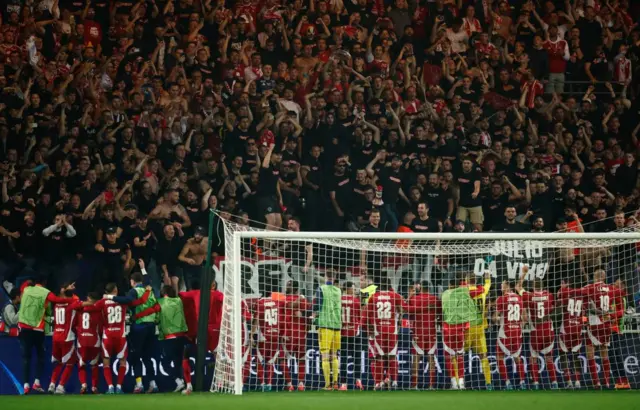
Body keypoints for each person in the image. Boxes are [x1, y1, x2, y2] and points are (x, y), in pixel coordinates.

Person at [107, 260, 159, 393]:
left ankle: (139, 384)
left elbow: (128, 301)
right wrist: (143, 269)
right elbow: (148, 282)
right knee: (148, 356)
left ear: (132, 281)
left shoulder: (134, 291)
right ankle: (153, 384)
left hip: (139, 326)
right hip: (151, 326)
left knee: (136, 356)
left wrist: (110, 297)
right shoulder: (150, 291)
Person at [17, 281, 76, 394]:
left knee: (26, 358)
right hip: (39, 330)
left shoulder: (26, 290)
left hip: (24, 329)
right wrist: (72, 300)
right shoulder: (45, 293)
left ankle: (26, 385)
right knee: (41, 357)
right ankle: (38, 383)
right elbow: (56, 301)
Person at [582, 268, 625, 389]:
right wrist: (611, 316)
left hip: (594, 324)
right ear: (604, 277)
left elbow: (577, 296)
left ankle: (596, 383)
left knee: (590, 354)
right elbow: (621, 311)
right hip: (607, 325)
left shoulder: (588, 288)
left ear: (595, 276)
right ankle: (606, 382)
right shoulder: (613, 289)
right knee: (604, 354)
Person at [440, 273, 484, 390]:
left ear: (449, 285)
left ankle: (454, 383)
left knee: (449, 356)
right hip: (460, 329)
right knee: (459, 356)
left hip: (447, 329)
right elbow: (481, 290)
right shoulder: (465, 292)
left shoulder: (444, 294)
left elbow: (440, 312)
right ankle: (462, 382)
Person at [518, 270, 559, 390]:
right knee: (549, 358)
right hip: (548, 330)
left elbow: (518, 287)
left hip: (536, 331)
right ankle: (554, 383)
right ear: (543, 286)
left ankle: (535, 383)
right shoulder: (549, 295)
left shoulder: (529, 296)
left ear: (532, 287)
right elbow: (553, 308)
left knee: (533, 358)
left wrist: (524, 274)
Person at [365, 277, 407, 390]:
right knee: (392, 356)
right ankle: (393, 381)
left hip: (378, 331)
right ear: (389, 285)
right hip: (392, 331)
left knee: (379, 357)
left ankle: (379, 383)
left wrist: (369, 330)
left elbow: (368, 315)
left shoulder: (373, 297)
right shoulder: (395, 296)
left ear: (378, 286)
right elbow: (404, 310)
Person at [48, 283, 84, 395]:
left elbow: (62, 297)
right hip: (67, 337)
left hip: (56, 337)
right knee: (70, 363)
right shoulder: (73, 303)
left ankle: (52, 384)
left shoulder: (56, 304)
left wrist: (65, 290)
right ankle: (60, 386)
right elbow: (78, 303)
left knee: (58, 362)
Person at [406, 281, 440, 390]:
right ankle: (431, 384)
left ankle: (414, 384)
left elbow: (408, 312)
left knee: (416, 357)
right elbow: (439, 314)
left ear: (420, 288)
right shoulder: (435, 299)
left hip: (418, 331)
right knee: (431, 357)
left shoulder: (414, 299)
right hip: (431, 331)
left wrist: (410, 296)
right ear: (429, 288)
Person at [494, 280, 526, 390]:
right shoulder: (520, 298)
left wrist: (498, 319)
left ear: (507, 286)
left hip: (505, 333)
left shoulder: (501, 299)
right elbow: (525, 318)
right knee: (517, 358)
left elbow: (494, 318)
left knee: (499, 357)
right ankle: (522, 382)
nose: (500, 286)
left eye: (502, 284)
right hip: (517, 333)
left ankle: (508, 383)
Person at [157, 285, 189, 394]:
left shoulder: (160, 303)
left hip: (169, 337)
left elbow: (157, 318)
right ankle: (183, 384)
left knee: (165, 362)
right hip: (181, 336)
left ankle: (179, 381)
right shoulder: (178, 301)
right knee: (178, 362)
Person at [280, 280, 311, 391]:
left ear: (291, 288)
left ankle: (289, 385)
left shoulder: (283, 299)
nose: (286, 287)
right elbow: (310, 314)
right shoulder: (303, 300)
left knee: (282, 359)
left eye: (287, 286)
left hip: (288, 334)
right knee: (301, 359)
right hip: (301, 335)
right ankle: (301, 384)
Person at [464, 271, 493, 390]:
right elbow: (488, 284)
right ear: (475, 280)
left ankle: (459, 381)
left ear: (466, 280)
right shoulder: (483, 291)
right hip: (480, 328)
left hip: (469, 328)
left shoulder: (464, 292)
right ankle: (488, 383)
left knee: (459, 354)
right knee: (483, 356)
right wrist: (487, 276)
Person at [557, 275, 587, 389]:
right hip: (578, 328)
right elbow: (586, 310)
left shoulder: (565, 292)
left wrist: (563, 287)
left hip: (566, 329)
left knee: (563, 354)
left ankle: (569, 381)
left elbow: (559, 297)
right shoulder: (583, 294)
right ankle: (578, 382)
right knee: (576, 355)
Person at [314, 270, 342, 391]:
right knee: (334, 355)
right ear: (335, 278)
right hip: (336, 325)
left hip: (325, 325)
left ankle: (327, 385)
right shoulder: (339, 290)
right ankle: (336, 382)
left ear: (325, 277)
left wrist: (314, 317)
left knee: (325, 356)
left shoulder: (321, 289)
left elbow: (318, 306)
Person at [75, 292, 103, 395]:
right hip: (94, 341)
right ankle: (94, 387)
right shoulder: (98, 310)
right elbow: (100, 327)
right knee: (94, 365)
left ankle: (83, 386)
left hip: (81, 341)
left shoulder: (80, 309)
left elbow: (74, 324)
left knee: (81, 364)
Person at [339, 281, 364, 391]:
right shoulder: (356, 301)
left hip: (342, 333)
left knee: (343, 359)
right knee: (357, 358)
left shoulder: (338, 300)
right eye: (353, 289)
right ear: (348, 289)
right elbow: (359, 317)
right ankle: (358, 380)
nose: (354, 291)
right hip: (355, 333)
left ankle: (343, 384)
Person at [178, 226, 209, 290]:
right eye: (196, 234)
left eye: (199, 235)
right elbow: (180, 257)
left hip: (200, 268)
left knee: (200, 290)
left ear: (203, 236)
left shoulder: (207, 241)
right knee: (190, 290)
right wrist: (187, 259)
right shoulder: (189, 243)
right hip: (189, 269)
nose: (197, 236)